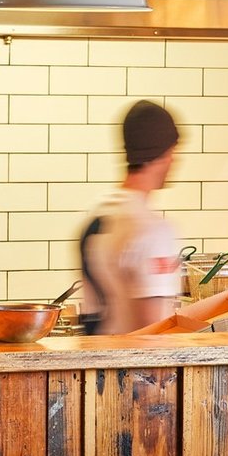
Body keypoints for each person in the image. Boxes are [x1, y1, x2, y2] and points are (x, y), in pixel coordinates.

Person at [79, 99, 183, 334]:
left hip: (98, 353)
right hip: (133, 357)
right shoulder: (152, 230)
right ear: (165, 153)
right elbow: (152, 329)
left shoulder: (100, 214)